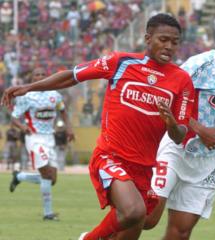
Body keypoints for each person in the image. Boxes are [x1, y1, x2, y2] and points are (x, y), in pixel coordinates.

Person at [2, 14, 195, 240]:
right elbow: (72, 76)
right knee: (134, 211)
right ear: (147, 38)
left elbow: (179, 135)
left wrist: (171, 121)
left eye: (175, 42)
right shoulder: (120, 62)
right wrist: (30, 87)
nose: (169, 46)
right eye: (163, 39)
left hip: (144, 167)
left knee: (145, 222)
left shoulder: (182, 81)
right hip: (110, 156)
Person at [140, 10, 215, 240]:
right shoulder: (201, 63)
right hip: (176, 148)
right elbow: (169, 99)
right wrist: (199, 129)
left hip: (205, 162)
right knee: (147, 217)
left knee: (181, 232)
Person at [7, 67, 75, 221]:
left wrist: (69, 128)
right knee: (47, 174)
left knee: (52, 179)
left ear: (47, 77)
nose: (40, 76)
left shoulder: (55, 95)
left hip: (49, 138)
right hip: (34, 138)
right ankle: (47, 213)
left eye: (43, 74)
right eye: (37, 74)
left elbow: (63, 111)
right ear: (32, 78)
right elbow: (14, 117)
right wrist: (23, 126)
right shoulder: (27, 96)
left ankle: (20, 176)